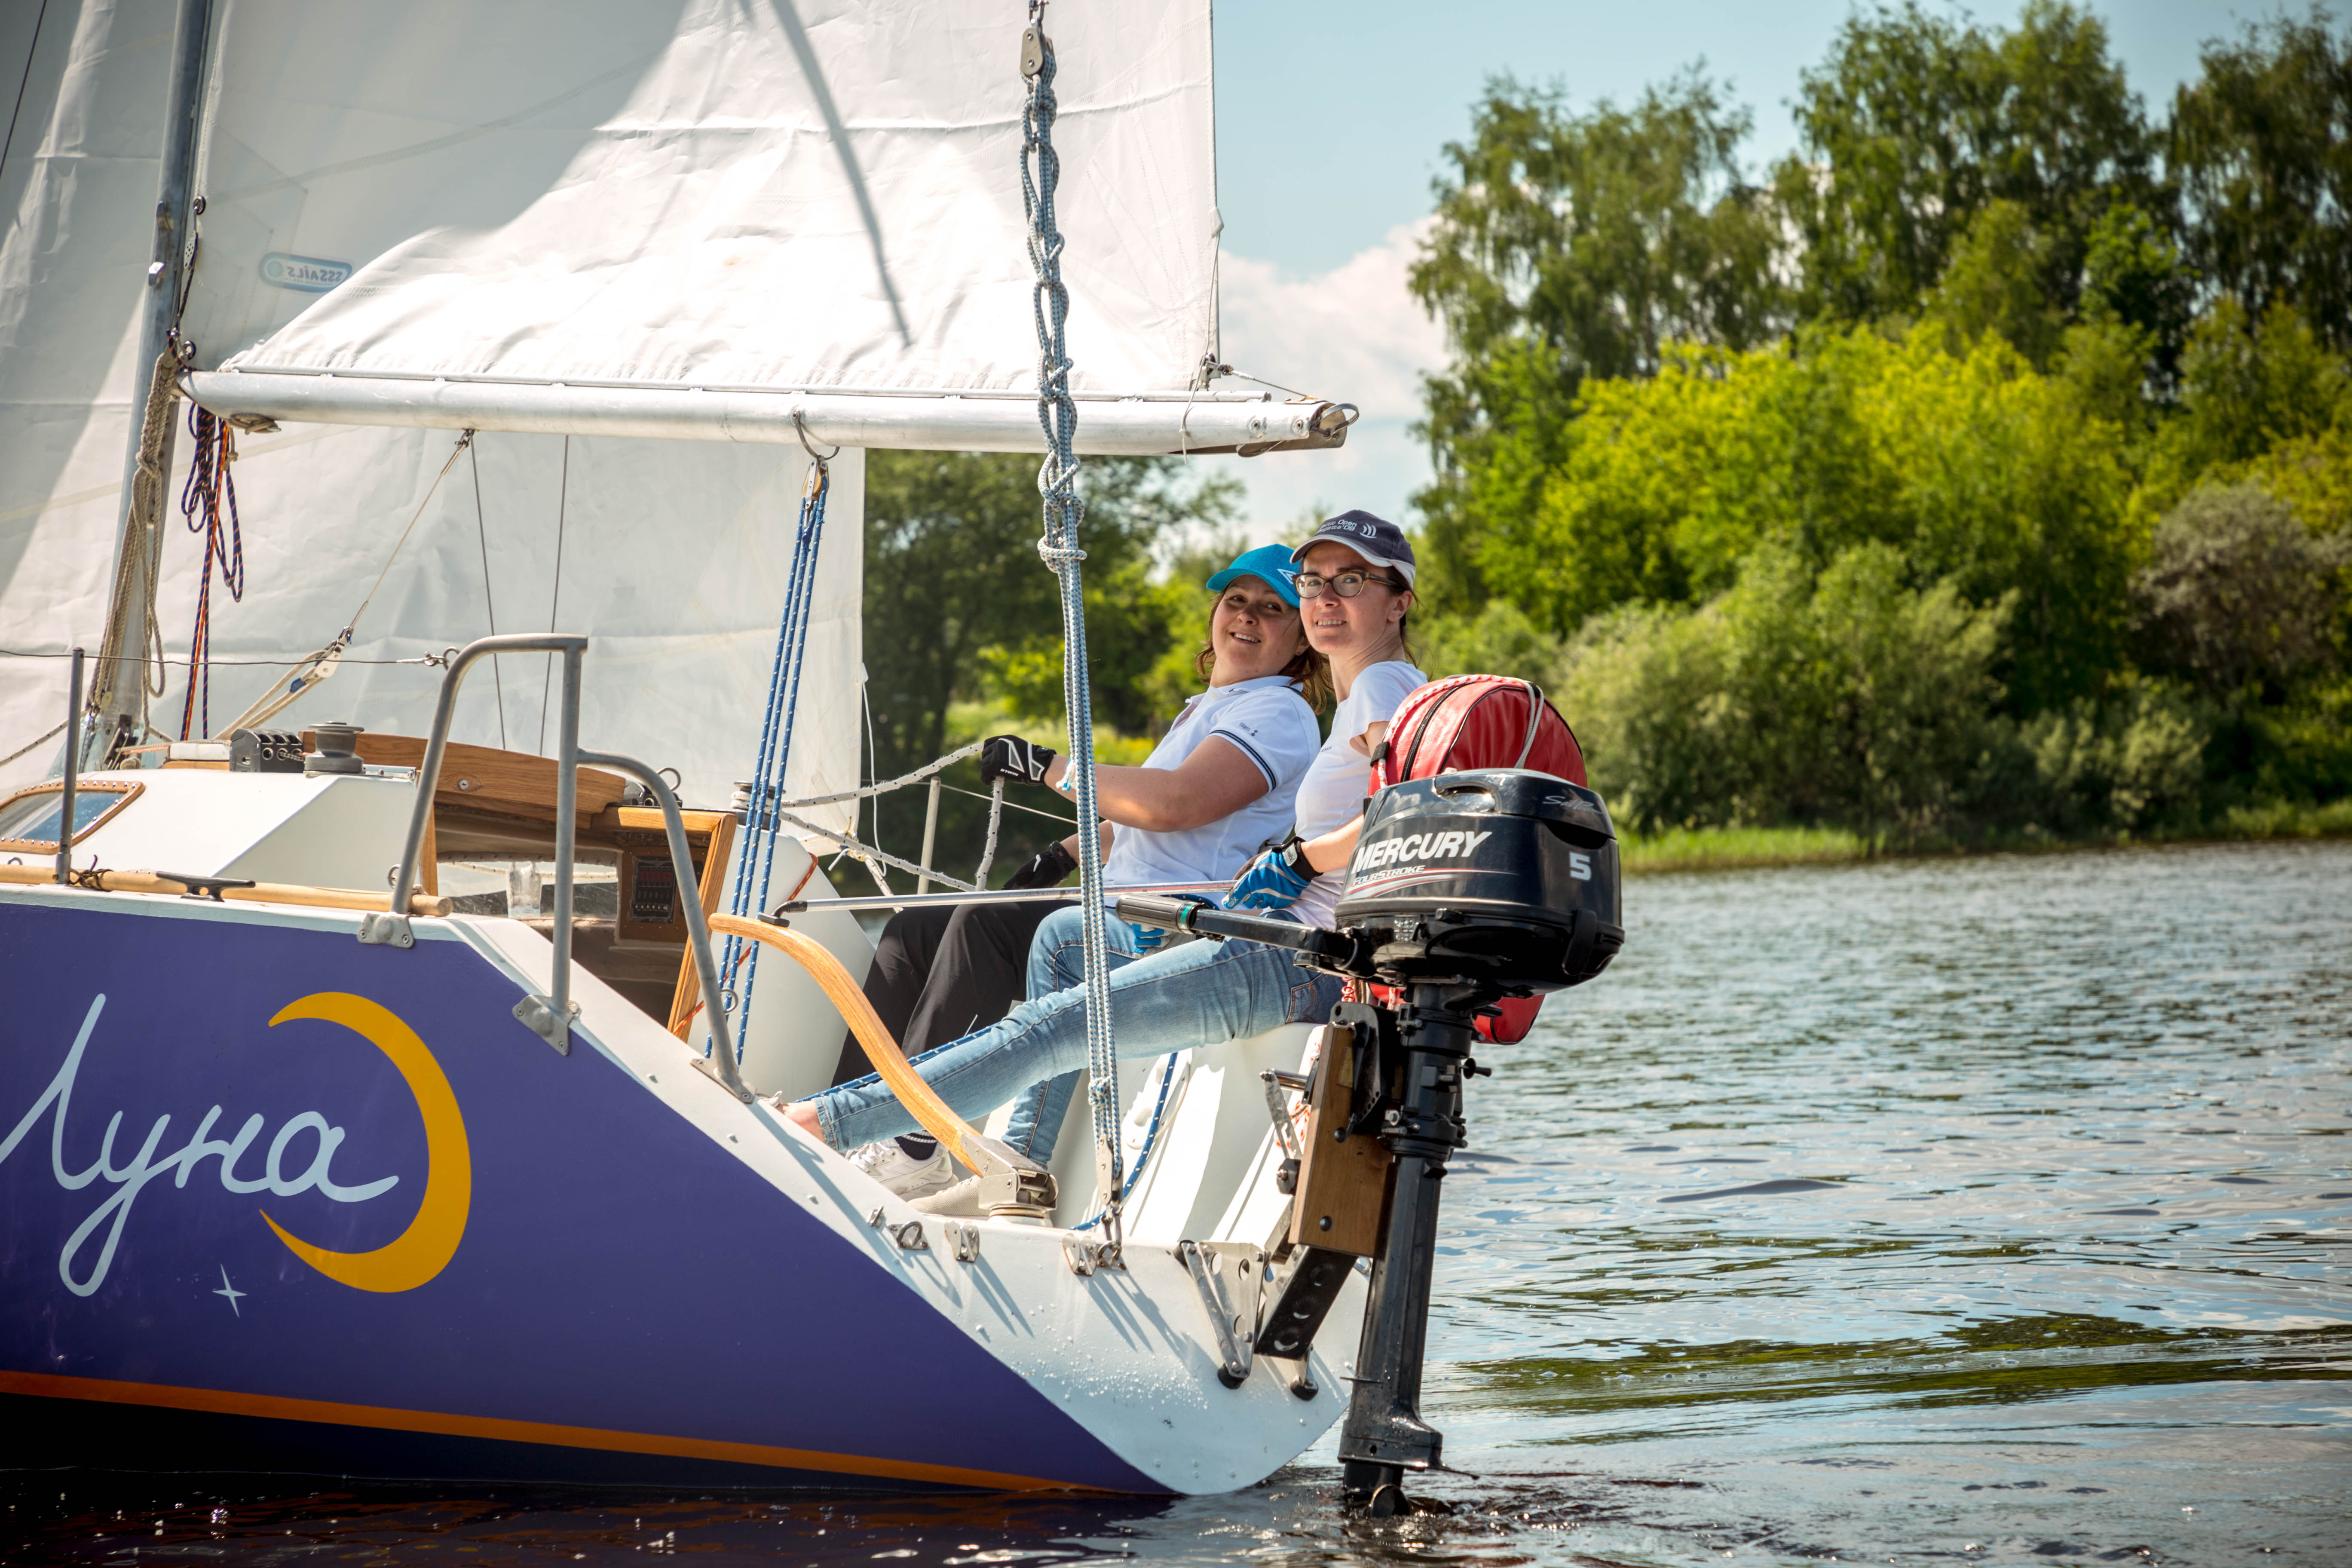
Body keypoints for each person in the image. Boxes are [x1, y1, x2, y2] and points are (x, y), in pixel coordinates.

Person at [786, 510, 1428, 1180]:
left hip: (1185, 914)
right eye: (1239, 599)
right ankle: (877, 1124)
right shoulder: (1219, 706)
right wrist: (1060, 856)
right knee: (913, 934)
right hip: (1163, 905)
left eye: (1275, 605)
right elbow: (1136, 816)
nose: (1249, 615)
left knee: (1002, 937)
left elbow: (1177, 803)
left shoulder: (1290, 708)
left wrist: (1049, 768)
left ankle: (909, 1142)